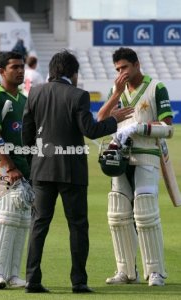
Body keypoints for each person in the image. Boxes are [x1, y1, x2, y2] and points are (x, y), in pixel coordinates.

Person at [22, 50, 134, 294]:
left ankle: (32, 279)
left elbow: (27, 133)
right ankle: (78, 281)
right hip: (71, 171)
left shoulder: (35, 92)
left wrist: (35, 161)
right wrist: (113, 119)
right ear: (72, 73)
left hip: (41, 170)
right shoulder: (78, 95)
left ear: (52, 70)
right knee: (78, 226)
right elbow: (91, 130)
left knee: (39, 225)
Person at [97, 47, 174, 287]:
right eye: (118, 69)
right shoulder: (116, 90)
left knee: (145, 212)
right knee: (118, 214)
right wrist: (115, 94)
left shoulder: (155, 87)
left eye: (124, 68)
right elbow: (100, 121)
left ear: (137, 64)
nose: (121, 73)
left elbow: (168, 127)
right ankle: (126, 272)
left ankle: (155, 272)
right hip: (120, 158)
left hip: (147, 155)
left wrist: (138, 128)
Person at [0, 51, 31, 289]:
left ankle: (12, 274)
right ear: (2, 71)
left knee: (22, 219)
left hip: (23, 166)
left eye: (22, 67)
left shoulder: (23, 99)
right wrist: (8, 165)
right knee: (4, 217)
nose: (20, 71)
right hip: (1, 166)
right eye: (14, 67)